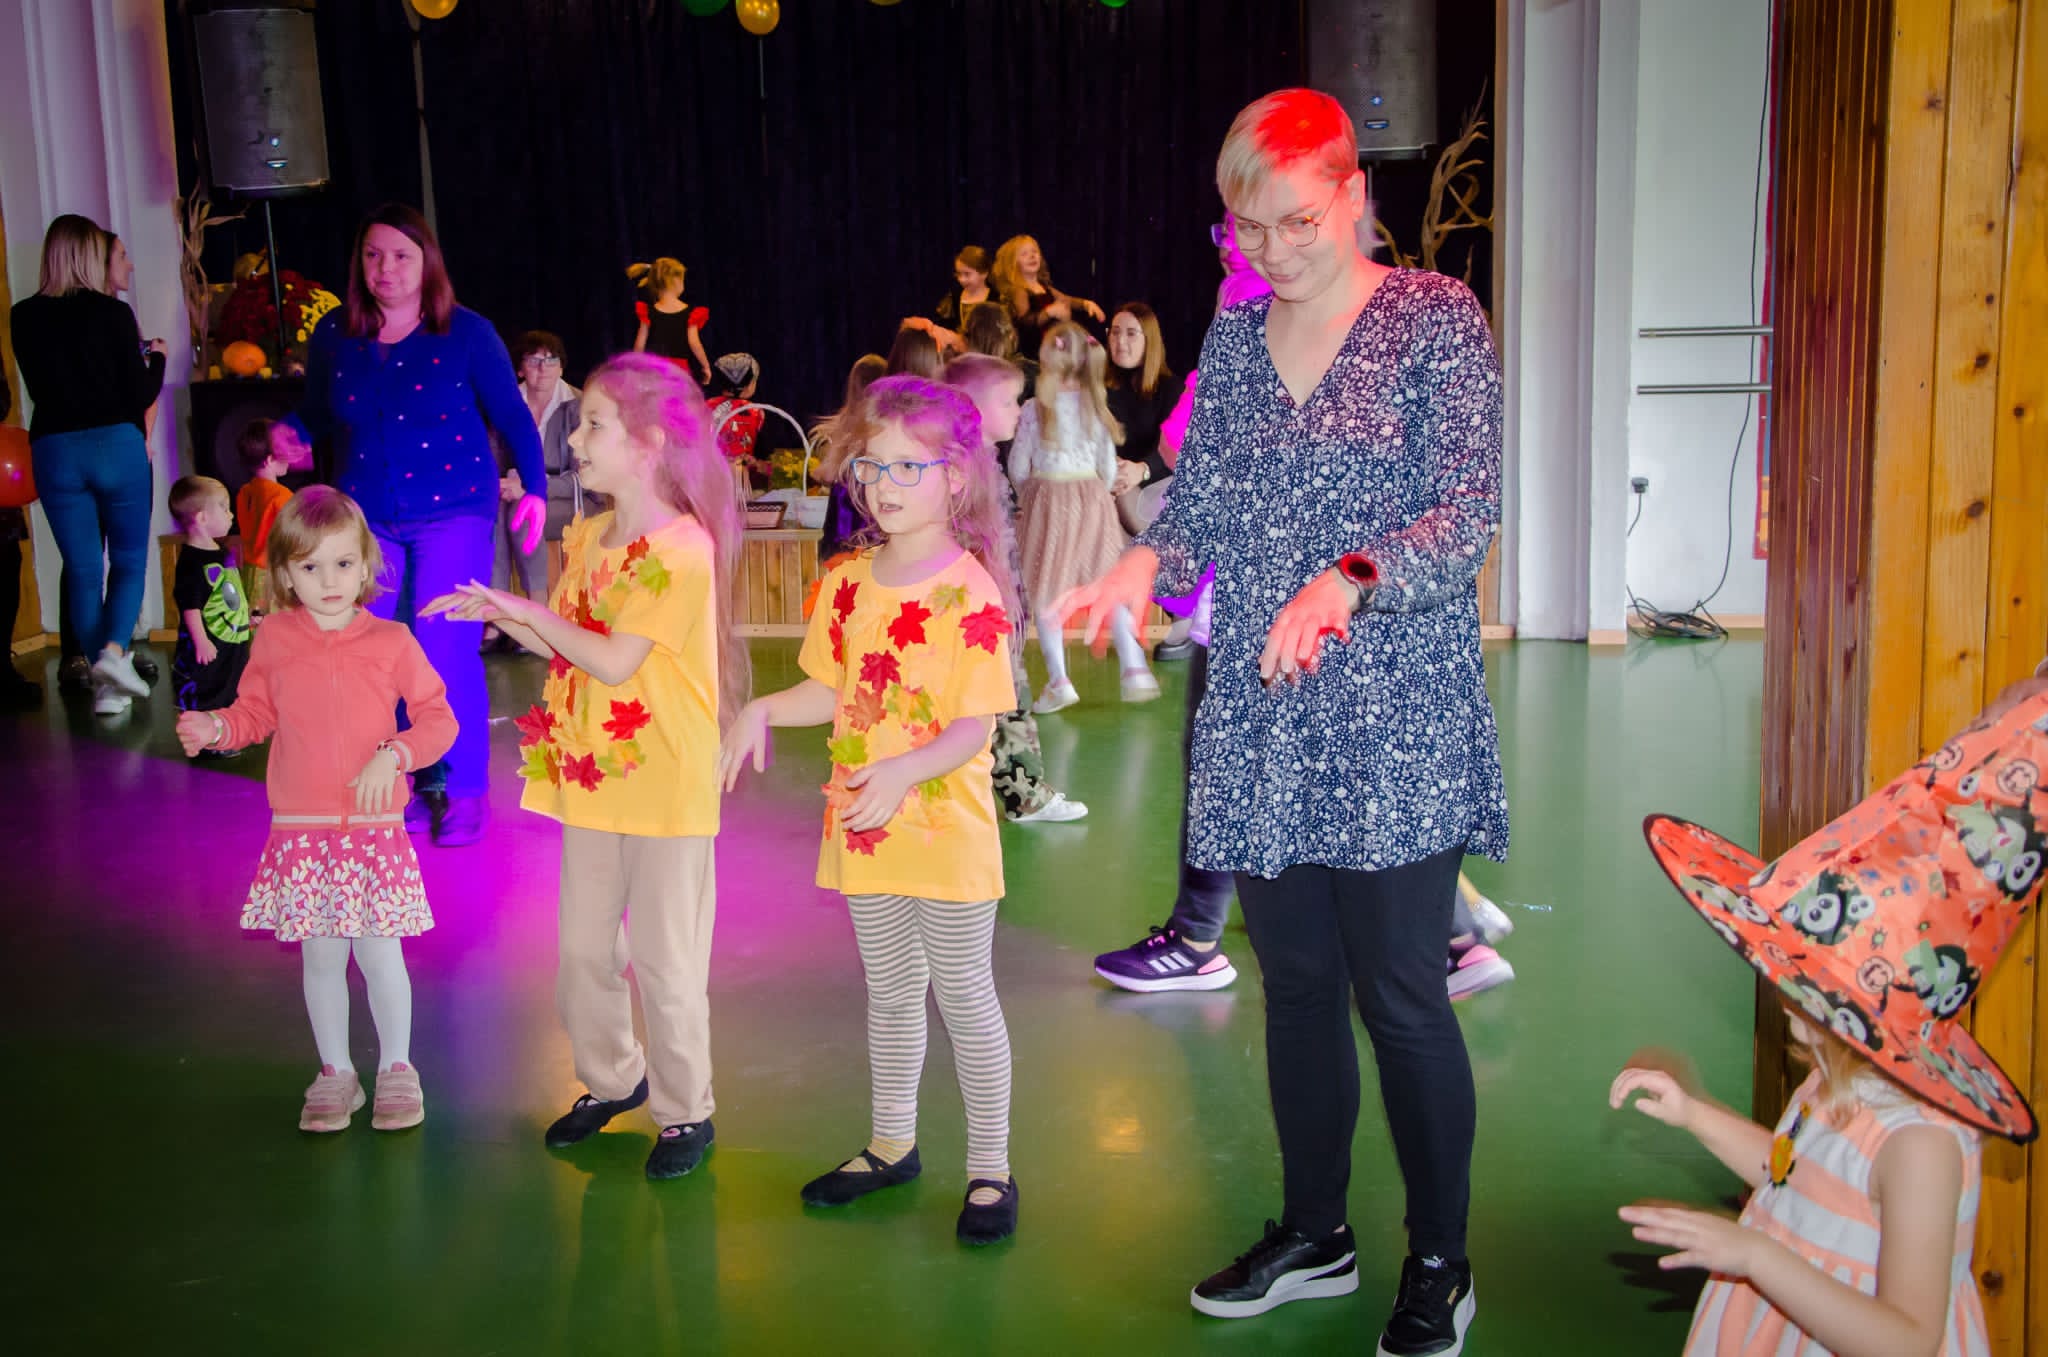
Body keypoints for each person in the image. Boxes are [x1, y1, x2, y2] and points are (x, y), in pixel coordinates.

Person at [1055, 90, 1507, 1354]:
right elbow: (1203, 501)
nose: (1272, 250)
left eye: (1297, 220)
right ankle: (1316, 1231)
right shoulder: (1238, 334)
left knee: (1400, 994)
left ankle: (1440, 1257)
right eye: (1246, 228)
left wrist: (1346, 577)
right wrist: (1141, 562)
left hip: (1395, 710)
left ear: (1354, 194)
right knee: (1297, 987)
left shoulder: (1433, 318)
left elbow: (1465, 510)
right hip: (1264, 707)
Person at [1612, 691, 2048, 1356]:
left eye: (1802, 972)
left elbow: (1907, 1340)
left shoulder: (1921, 1144)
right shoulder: (1839, 1076)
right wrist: (1694, 1111)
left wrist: (1753, 1256)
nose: (1777, 979)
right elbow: (1794, 1179)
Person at [424, 354, 746, 1181]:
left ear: (649, 442)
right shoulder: (590, 537)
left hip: (665, 777)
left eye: (594, 423)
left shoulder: (682, 548)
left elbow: (612, 659)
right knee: (581, 954)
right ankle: (614, 1076)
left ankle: (686, 1106)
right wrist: (502, 610)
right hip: (597, 773)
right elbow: (564, 645)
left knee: (668, 961)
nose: (574, 438)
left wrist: (521, 608)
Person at [720, 375, 1023, 1245]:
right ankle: (892, 1143)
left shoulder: (970, 592)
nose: (884, 485)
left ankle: (991, 1166)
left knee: (964, 996)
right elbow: (829, 686)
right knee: (890, 993)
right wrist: (762, 708)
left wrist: (905, 770)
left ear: (955, 478)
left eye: (906, 467)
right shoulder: (849, 582)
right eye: (871, 467)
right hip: (863, 818)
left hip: (944, 829)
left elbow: (974, 724)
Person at [175, 487, 457, 1133]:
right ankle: (336, 1072)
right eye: (310, 567)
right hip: (302, 832)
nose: (328, 582)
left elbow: (439, 719)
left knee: (380, 955)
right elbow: (256, 713)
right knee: (322, 957)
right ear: (284, 574)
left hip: (374, 829)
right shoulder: (274, 638)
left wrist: (397, 754)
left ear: (365, 565)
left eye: (342, 564)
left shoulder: (391, 639)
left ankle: (397, 1067)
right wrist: (217, 727)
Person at [274, 204, 547, 847]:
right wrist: (293, 431)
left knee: (444, 648)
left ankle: (464, 790)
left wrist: (534, 490)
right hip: (368, 518)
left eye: (401, 256)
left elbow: (512, 417)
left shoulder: (467, 333)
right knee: (379, 656)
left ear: (427, 263)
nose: (386, 269)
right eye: (373, 255)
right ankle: (412, 783)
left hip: (454, 511)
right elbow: (318, 410)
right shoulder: (336, 334)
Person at [10, 214, 166, 716]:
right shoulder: (112, 313)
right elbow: (139, 393)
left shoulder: (21, 315)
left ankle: (107, 689)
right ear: (89, 255)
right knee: (128, 560)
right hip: (116, 445)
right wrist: (159, 360)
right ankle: (114, 656)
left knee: (80, 569)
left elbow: (39, 387)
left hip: (54, 451)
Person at [944, 351, 1088, 824]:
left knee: (1003, 699)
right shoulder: (963, 470)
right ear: (973, 406)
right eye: (1007, 401)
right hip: (980, 613)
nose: (1017, 409)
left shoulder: (985, 460)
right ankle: (1023, 795)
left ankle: (1016, 792)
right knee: (1004, 700)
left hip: (998, 605)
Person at [1011, 321, 1154, 711]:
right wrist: (1096, 492)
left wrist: (1027, 494)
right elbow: (1106, 469)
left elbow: (1019, 465)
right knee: (1106, 583)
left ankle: (1059, 680)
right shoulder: (1095, 408)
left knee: (1045, 590)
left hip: (1049, 501)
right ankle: (1134, 668)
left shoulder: (1033, 410)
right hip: (1092, 502)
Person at [488, 331, 586, 629]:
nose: (543, 368)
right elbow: (491, 457)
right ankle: (499, 615)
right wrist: (500, 484)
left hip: (573, 498)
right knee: (491, 513)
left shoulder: (579, 406)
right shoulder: (505, 406)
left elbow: (585, 478)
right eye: (534, 361)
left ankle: (538, 613)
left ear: (562, 367)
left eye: (551, 360)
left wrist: (532, 489)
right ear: (520, 369)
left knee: (524, 515)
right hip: (514, 492)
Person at [167, 475, 252, 726]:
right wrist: (201, 641)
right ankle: (204, 729)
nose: (231, 515)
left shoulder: (221, 552)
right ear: (202, 518)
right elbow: (190, 607)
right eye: (224, 508)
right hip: (210, 644)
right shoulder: (192, 562)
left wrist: (245, 616)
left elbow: (229, 591)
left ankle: (225, 725)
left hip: (230, 642)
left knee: (231, 681)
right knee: (208, 686)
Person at [1104, 302, 1177, 534]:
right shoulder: (1097, 385)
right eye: (1115, 332)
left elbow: (1176, 449)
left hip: (1154, 485)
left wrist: (1142, 469)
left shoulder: (1171, 389)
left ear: (1149, 340)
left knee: (1122, 493)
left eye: (1131, 333)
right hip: (1109, 481)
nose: (1120, 341)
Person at [815, 354, 888, 562]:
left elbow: (827, 473)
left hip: (844, 517)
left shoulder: (843, 426)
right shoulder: (885, 427)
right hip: (869, 514)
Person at [992, 235, 1104, 357]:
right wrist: (1048, 313)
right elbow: (1024, 323)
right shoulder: (1019, 291)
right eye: (1024, 254)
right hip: (1034, 351)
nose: (1032, 256)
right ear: (1012, 263)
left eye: (1035, 251)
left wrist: (1086, 304)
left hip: (1050, 346)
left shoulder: (1045, 288)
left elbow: (1066, 300)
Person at [235, 419, 295, 615]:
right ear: (269, 460)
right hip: (273, 573)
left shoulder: (244, 492)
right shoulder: (282, 496)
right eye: (285, 452)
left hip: (249, 571)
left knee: (254, 622)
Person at [628, 257, 712, 384]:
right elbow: (694, 343)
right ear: (676, 281)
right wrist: (706, 366)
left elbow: (640, 343)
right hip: (678, 370)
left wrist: (635, 366)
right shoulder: (690, 313)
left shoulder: (648, 312)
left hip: (654, 369)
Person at [903, 244, 995, 352]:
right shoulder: (954, 297)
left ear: (984, 273)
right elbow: (943, 326)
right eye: (958, 274)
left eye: (967, 274)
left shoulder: (996, 299)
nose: (961, 279)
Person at [706, 352, 767, 489]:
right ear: (749, 385)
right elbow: (763, 450)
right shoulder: (756, 412)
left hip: (711, 476)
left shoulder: (706, 406)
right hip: (743, 479)